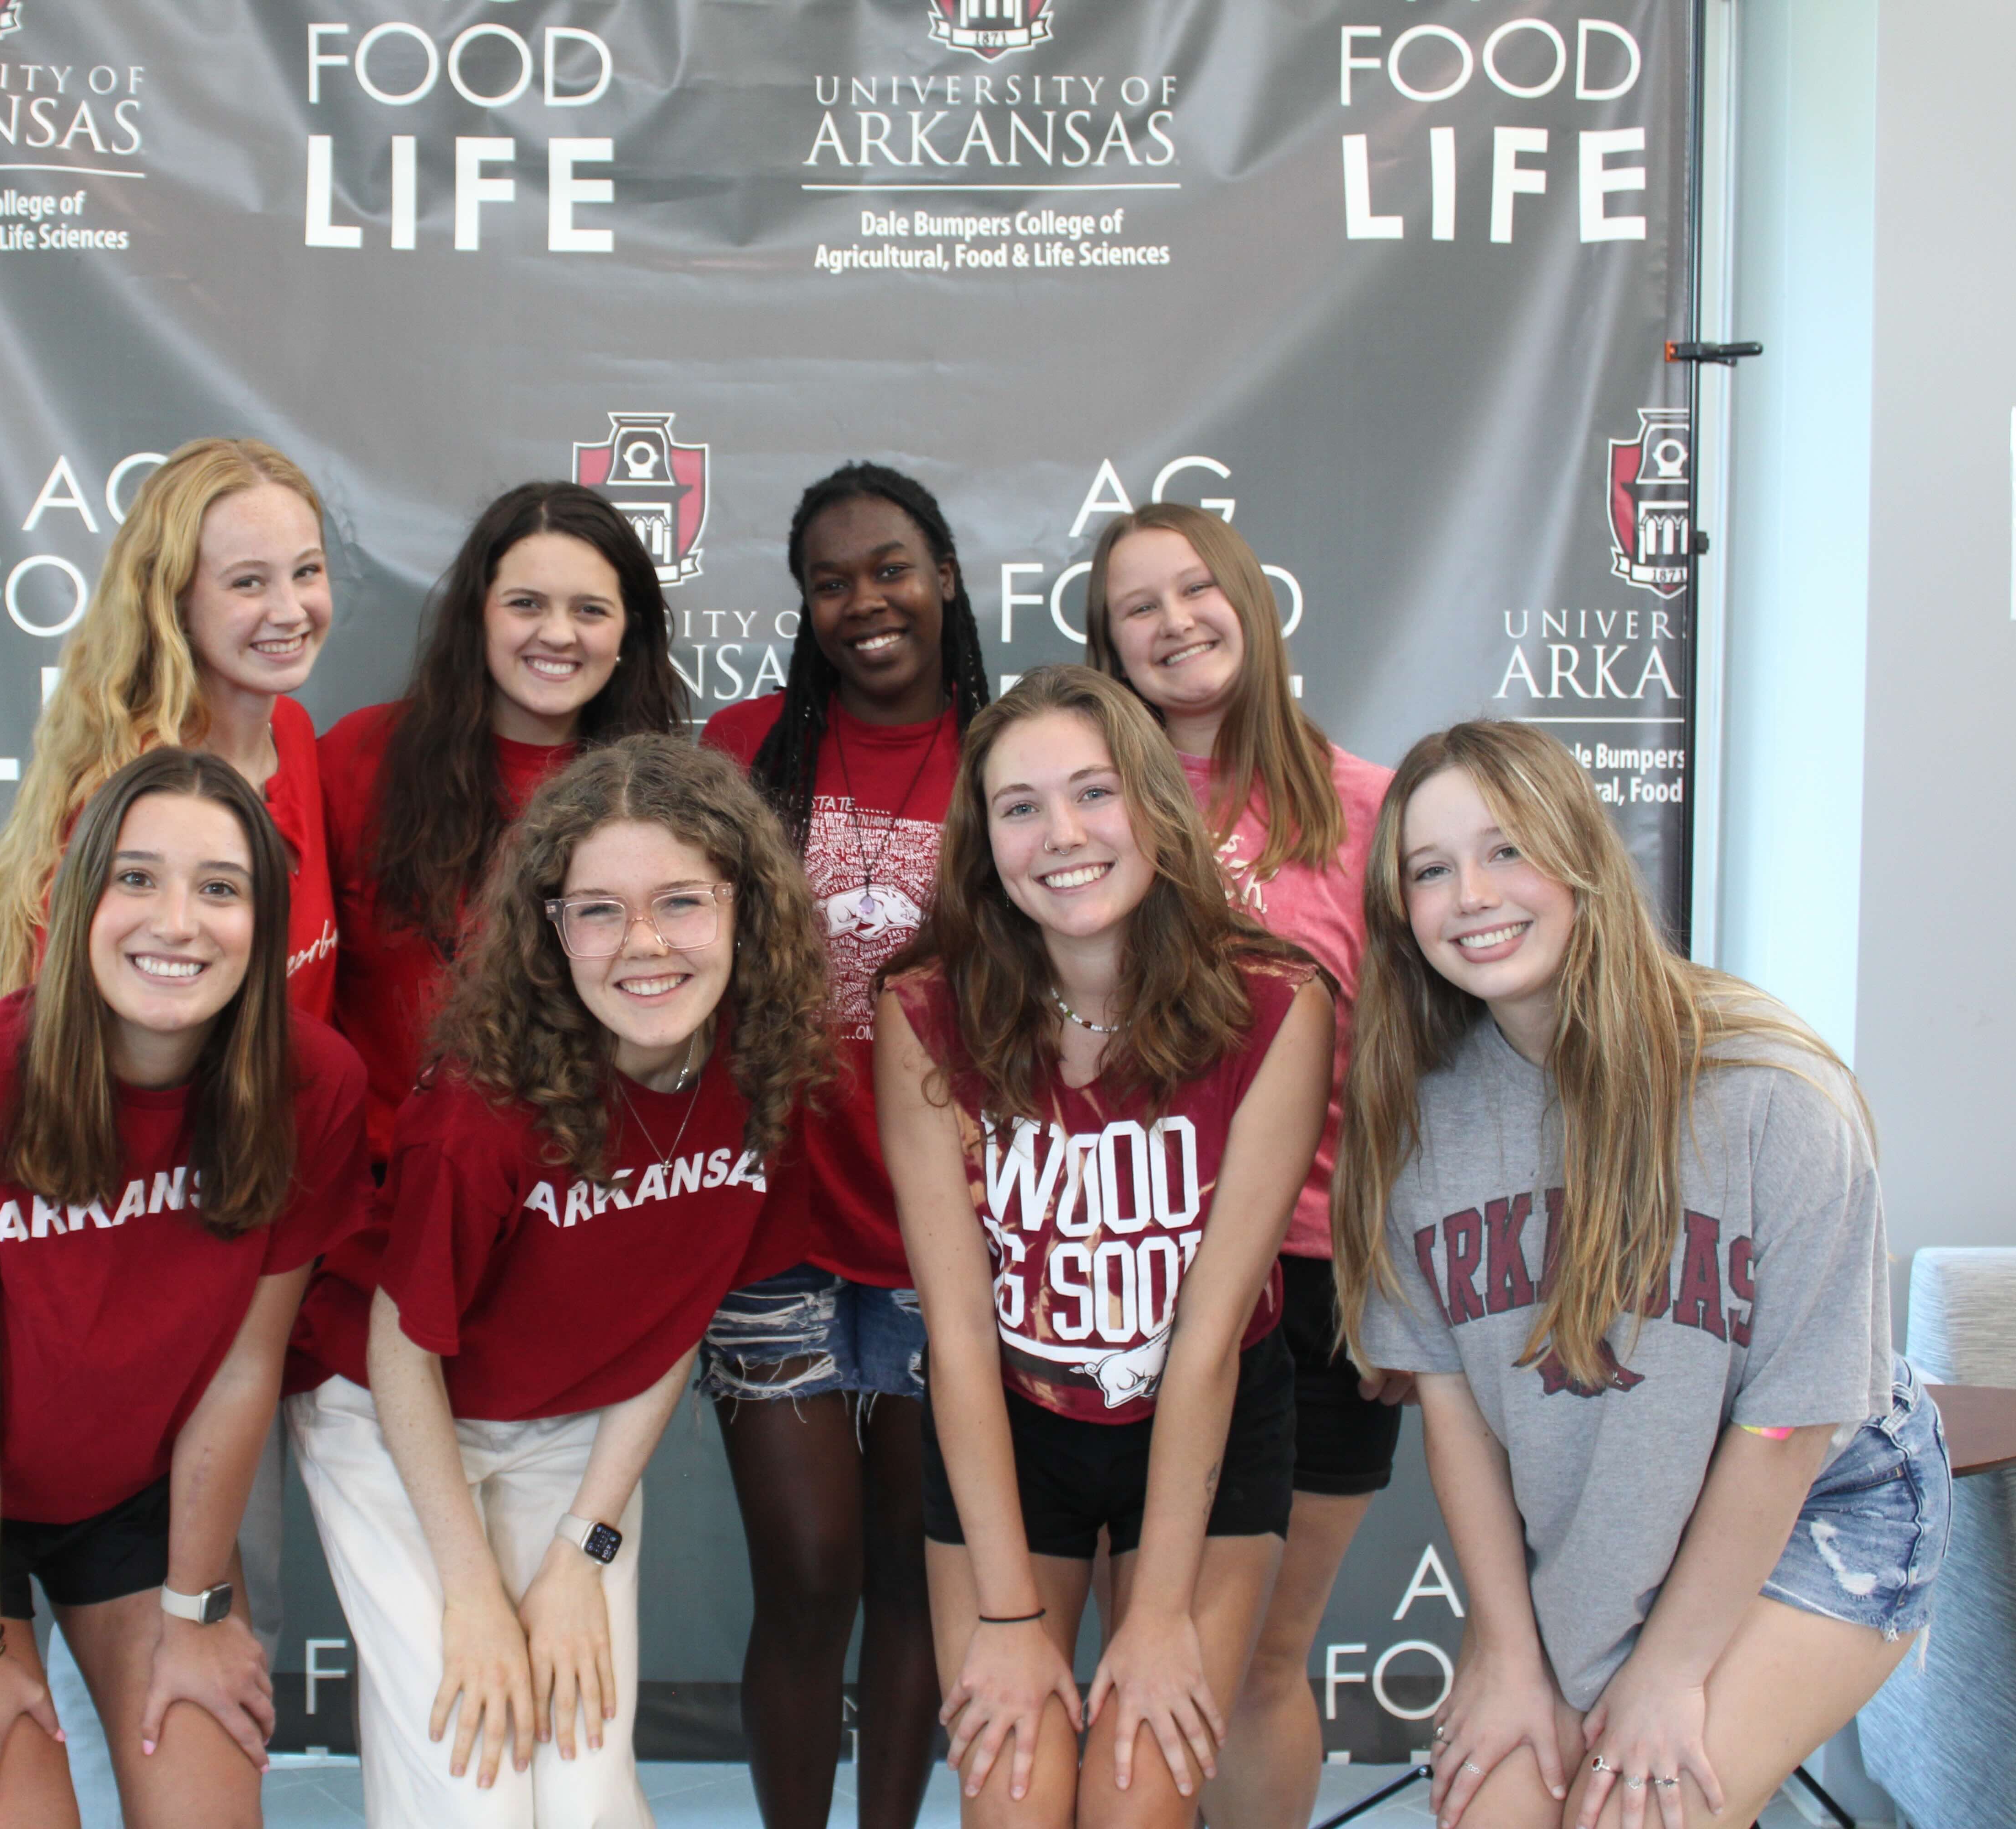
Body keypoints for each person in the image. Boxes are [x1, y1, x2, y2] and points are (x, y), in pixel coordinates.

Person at [1333, 721, 1947, 1829]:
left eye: (1507, 849)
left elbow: (1789, 1429)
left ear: (1581, 858)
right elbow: (1454, 1403)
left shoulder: (1770, 1091)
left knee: (1638, 1812)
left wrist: (1669, 1675)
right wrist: (1508, 1649)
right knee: (1495, 1813)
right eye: (1430, 869)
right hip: (1611, 1509)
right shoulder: (1417, 1119)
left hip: (1818, 1501)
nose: (1472, 893)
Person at [0, 748, 369, 1829]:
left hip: (127, 1483)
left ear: (265, 924)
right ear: (74, 899)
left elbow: (244, 1368)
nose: (176, 920)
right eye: (136, 878)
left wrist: (195, 1610)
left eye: (219, 887)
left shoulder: (313, 1083)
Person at [284, 733, 832, 1826]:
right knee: (475, 1788)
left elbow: (672, 1319)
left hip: (573, 1430)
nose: (643, 945)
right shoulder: (484, 1112)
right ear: (551, 928)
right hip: (394, 1421)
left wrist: (586, 1549)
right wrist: (474, 1595)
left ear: (742, 907)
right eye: (598, 910)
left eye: (681, 901)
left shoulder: (765, 1068)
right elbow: (404, 1348)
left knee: (581, 1788)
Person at [874, 666, 1333, 1827]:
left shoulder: (1277, 1002)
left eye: (1094, 792)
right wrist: (1013, 1622)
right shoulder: (925, 1007)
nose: (1062, 834)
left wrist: (1164, 1608)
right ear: (985, 840)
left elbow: (1213, 1337)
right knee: (1015, 1799)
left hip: (1206, 1427)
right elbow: (961, 1336)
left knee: (1137, 1801)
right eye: (1021, 806)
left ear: (1154, 806)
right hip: (1009, 1431)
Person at [1083, 503, 1403, 1824]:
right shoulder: (1085, 814)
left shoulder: (1375, 810)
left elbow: (1418, 1073)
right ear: (1108, 645)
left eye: (1197, 588)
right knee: (1146, 1656)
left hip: (1321, 1278)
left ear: (1255, 603)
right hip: (1130, 1274)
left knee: (1267, 1658)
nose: (1174, 622)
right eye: (1138, 607)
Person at [698, 461, 996, 1829]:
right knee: (806, 1573)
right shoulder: (741, 746)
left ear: (942, 574)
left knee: (909, 1572)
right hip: (774, 1224)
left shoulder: (1011, 754)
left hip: (949, 1234)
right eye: (828, 580)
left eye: (888, 567)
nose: (861, 601)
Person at [322, 480, 685, 1164]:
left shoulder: (663, 799)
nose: (557, 634)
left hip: (576, 1203)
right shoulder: (356, 761)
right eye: (526, 604)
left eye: (590, 610)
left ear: (628, 630)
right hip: (378, 1210)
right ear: (478, 615)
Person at [0, 436, 341, 1021]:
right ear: (173, 601)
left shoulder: (293, 734)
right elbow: (68, 1041)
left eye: (307, 571)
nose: (291, 609)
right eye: (249, 582)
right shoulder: (129, 790)